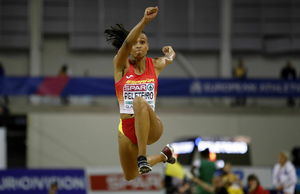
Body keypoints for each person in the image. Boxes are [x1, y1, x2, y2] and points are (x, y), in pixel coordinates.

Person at [104, 6, 176, 180]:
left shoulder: (155, 65)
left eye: (142, 42)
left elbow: (169, 59)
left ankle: (142, 157)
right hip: (127, 128)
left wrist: (170, 52)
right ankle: (163, 156)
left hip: (152, 126)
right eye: (135, 43)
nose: (137, 46)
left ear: (147, 47)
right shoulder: (121, 66)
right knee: (130, 175)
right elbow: (127, 42)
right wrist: (144, 21)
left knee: (139, 101)